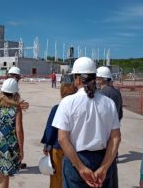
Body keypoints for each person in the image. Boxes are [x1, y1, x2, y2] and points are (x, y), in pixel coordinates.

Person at [52, 57, 121, 188]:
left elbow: (62, 139)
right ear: (95, 78)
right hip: (103, 157)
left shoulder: (67, 102)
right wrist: (104, 167)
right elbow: (116, 138)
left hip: (76, 160)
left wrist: (81, 168)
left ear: (77, 79)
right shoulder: (109, 103)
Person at [41, 83, 77, 188]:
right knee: (72, 177)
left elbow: (50, 129)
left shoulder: (57, 108)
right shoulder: (78, 109)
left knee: (56, 176)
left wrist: (47, 145)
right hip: (73, 148)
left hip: (58, 147)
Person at [96, 66, 124, 187]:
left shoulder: (101, 94)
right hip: (115, 130)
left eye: (97, 78)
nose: (96, 80)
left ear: (101, 79)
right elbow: (121, 113)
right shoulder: (117, 92)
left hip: (103, 133)